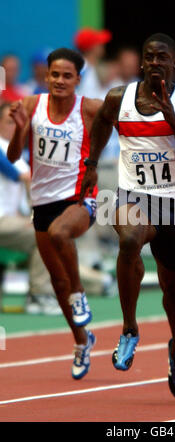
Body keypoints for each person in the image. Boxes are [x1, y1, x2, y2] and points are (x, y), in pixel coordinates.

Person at [79, 33, 175, 398]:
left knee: (174, 290)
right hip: (132, 194)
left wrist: (172, 119)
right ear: (141, 62)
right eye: (149, 56)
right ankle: (129, 328)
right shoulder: (119, 99)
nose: (155, 62)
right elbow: (102, 122)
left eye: (162, 57)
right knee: (130, 238)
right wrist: (91, 163)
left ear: (174, 65)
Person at [7, 47, 103, 380]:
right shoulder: (32, 105)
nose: (60, 81)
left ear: (78, 79)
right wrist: (20, 128)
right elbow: (14, 154)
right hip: (43, 202)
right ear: (46, 76)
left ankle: (80, 294)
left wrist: (95, 163)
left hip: (80, 198)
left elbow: (123, 127)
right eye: (54, 75)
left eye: (67, 76)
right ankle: (82, 340)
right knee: (56, 282)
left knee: (62, 235)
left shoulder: (90, 108)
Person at [0, 102, 61, 315]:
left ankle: (95, 282)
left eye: (17, 123)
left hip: (9, 220)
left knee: (55, 238)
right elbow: (25, 179)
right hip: (2, 221)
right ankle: (38, 296)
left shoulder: (19, 153)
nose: (14, 126)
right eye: (9, 122)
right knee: (44, 235)